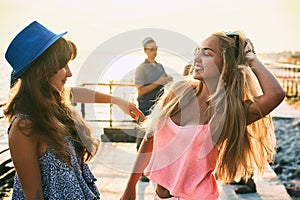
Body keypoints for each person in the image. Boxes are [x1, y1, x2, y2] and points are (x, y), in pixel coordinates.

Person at [120, 31, 285, 200]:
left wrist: (251, 58)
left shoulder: (226, 113)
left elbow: (275, 94)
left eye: (207, 53)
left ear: (225, 65)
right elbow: (150, 138)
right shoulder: (179, 92)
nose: (196, 58)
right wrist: (130, 187)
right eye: (197, 51)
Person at [3, 21, 143, 200]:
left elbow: (75, 92)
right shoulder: (25, 126)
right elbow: (34, 195)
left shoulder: (53, 106)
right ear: (43, 71)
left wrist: (117, 101)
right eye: (63, 66)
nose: (69, 73)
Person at [134, 37, 173, 181]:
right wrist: (159, 82)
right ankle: (141, 172)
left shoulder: (160, 66)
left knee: (157, 139)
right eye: (151, 49)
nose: (154, 52)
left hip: (159, 107)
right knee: (142, 139)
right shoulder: (141, 68)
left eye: (156, 48)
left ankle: (152, 168)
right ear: (145, 51)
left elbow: (162, 84)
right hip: (144, 107)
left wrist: (166, 81)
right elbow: (140, 91)